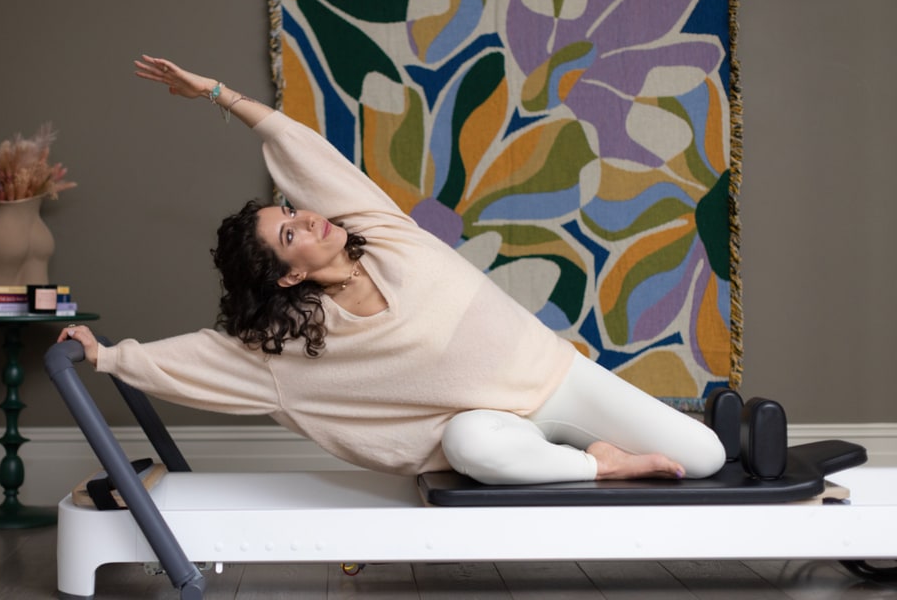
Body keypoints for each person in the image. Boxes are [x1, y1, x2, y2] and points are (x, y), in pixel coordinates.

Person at [57, 54, 726, 485]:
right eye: (290, 232)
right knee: (473, 448)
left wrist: (217, 93)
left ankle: (684, 427)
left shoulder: (381, 232)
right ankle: (598, 467)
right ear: (289, 275)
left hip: (559, 379)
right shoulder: (291, 347)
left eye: (293, 209)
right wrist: (106, 357)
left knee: (707, 460)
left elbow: (298, 147)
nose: (309, 217)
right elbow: (200, 360)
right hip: (494, 430)